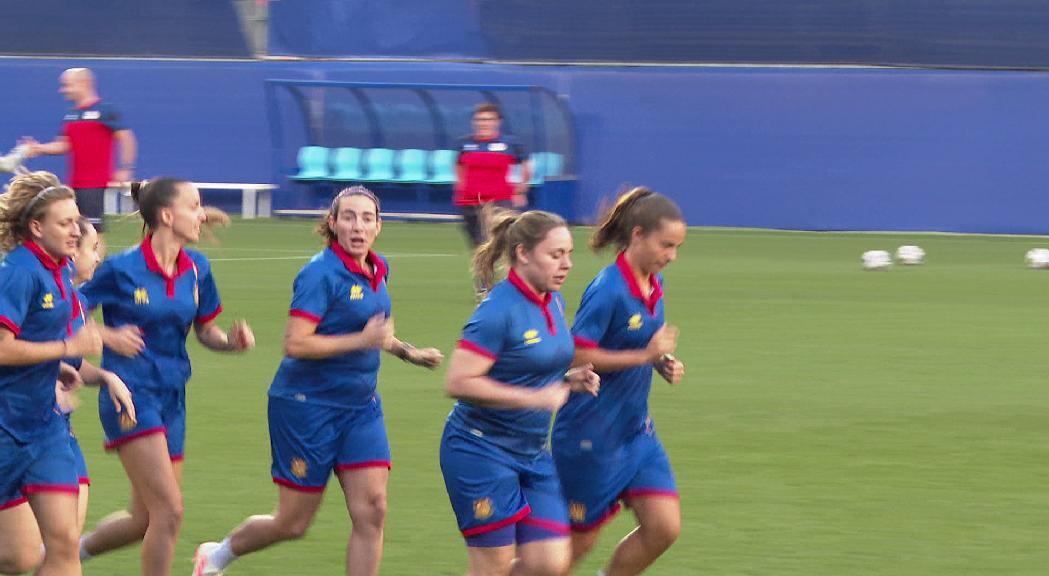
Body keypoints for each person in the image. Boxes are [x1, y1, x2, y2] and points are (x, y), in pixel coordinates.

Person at [192, 186, 443, 576]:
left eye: (366, 218)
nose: (357, 226)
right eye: (348, 217)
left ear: (379, 226)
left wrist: (407, 352)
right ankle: (217, 555)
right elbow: (296, 343)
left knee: (373, 509)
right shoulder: (319, 274)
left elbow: (372, 329)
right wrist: (364, 341)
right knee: (293, 523)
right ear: (332, 223)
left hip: (360, 407)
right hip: (306, 406)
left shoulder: (378, 269)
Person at [76, 177, 254, 576]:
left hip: (173, 397)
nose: (202, 213)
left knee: (144, 520)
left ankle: (69, 552)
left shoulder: (197, 269)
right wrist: (105, 335)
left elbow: (206, 332)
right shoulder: (121, 269)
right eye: (194, 205)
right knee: (170, 511)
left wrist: (231, 342)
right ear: (167, 215)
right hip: (130, 396)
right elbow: (66, 313)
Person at [440, 208, 600, 576]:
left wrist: (568, 378)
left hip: (530, 451)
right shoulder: (497, 310)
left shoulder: (552, 300)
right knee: (491, 567)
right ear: (524, 254)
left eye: (569, 254)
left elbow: (532, 362)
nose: (567, 264)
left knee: (549, 563)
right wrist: (535, 398)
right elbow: (458, 382)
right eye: (556, 255)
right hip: (479, 450)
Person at [551, 187, 687, 576]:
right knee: (576, 545)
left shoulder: (653, 284)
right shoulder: (608, 289)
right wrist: (645, 356)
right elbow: (577, 354)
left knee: (663, 527)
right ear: (638, 235)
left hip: (635, 432)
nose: (672, 256)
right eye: (666, 245)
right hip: (591, 435)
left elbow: (639, 344)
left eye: (677, 247)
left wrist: (660, 362)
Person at [0, 171, 103, 576]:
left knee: (63, 545)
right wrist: (66, 349)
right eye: (65, 223)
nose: (76, 230)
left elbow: (36, 336)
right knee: (20, 558)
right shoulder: (18, 273)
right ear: (36, 228)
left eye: (77, 221)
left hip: (44, 429)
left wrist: (58, 366)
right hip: (5, 429)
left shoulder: (61, 270)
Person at [57, 216, 138, 533]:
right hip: (23, 424)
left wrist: (106, 377)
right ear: (72, 252)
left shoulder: (77, 300)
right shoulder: (44, 295)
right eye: (93, 248)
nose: (98, 257)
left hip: (59, 426)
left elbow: (72, 364)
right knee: (22, 552)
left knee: (66, 540)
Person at [23, 67, 138, 233]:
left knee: (92, 230)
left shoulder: (106, 111)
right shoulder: (71, 115)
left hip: (95, 183)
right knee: (75, 229)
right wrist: (39, 148)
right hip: (74, 183)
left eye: (67, 85)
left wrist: (126, 168)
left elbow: (127, 138)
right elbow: (64, 145)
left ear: (84, 83)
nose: (63, 90)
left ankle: (96, 260)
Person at [454, 103, 531, 251]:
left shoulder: (509, 144)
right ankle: (485, 272)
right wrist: (461, 186)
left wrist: (521, 189)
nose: (484, 123)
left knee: (495, 239)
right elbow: (459, 165)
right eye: (480, 120)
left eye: (488, 119)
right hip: (469, 201)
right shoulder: (465, 144)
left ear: (497, 122)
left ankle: (499, 271)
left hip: (499, 201)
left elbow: (526, 164)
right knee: (477, 243)